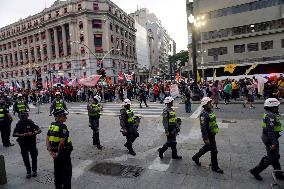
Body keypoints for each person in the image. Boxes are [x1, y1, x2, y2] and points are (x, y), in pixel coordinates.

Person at [250, 98, 284, 181]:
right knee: (271, 158)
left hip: (269, 137)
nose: (277, 108)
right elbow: (270, 131)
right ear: (271, 107)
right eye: (276, 107)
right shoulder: (270, 115)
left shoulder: (270, 113)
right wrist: (274, 143)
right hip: (270, 138)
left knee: (275, 156)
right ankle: (255, 171)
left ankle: (278, 173)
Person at [192, 97, 224, 174]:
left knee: (207, 147)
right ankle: (215, 167)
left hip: (212, 133)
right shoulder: (204, 114)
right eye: (209, 103)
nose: (211, 103)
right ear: (205, 105)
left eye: (210, 102)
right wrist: (205, 138)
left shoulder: (209, 111)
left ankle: (196, 157)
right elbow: (203, 127)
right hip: (208, 135)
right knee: (214, 150)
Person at [46, 110, 73, 189]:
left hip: (55, 153)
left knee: (57, 171)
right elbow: (61, 143)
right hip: (63, 153)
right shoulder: (62, 126)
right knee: (67, 173)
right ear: (59, 117)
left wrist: (50, 151)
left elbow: (47, 139)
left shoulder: (52, 125)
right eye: (64, 116)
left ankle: (58, 187)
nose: (66, 117)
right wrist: (58, 152)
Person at [13, 111, 41, 178]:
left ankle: (34, 170)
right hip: (23, 143)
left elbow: (39, 130)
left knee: (34, 157)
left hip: (32, 142)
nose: (23, 117)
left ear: (27, 116)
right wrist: (23, 134)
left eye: (25, 116)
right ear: (19, 117)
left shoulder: (31, 122)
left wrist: (34, 133)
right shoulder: (18, 124)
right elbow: (14, 134)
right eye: (22, 116)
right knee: (25, 158)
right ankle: (28, 171)